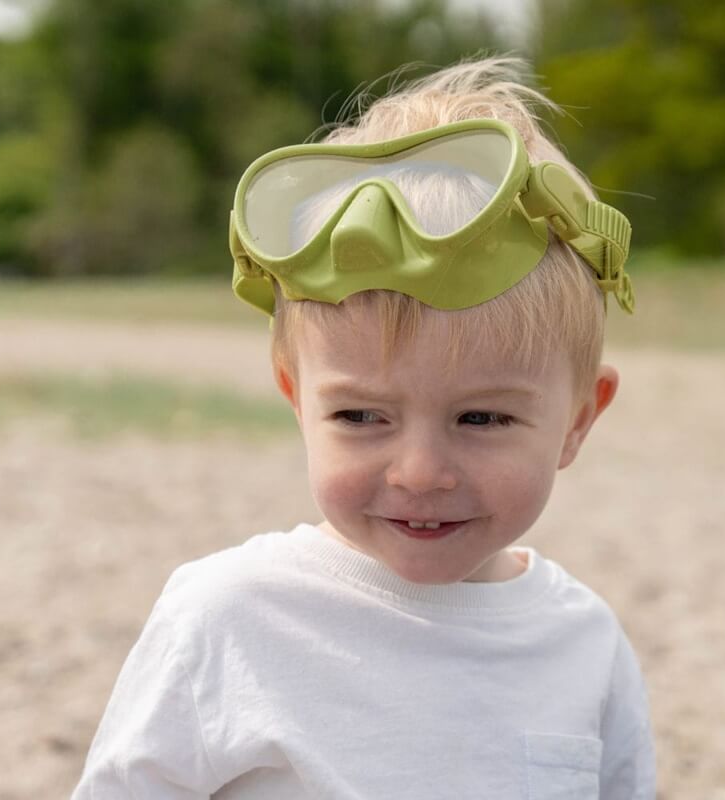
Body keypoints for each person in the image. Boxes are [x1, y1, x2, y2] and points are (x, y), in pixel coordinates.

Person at [71, 56, 655, 799]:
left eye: (481, 417)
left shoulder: (585, 647)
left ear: (578, 421)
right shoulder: (229, 618)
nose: (419, 471)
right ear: (296, 397)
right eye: (360, 416)